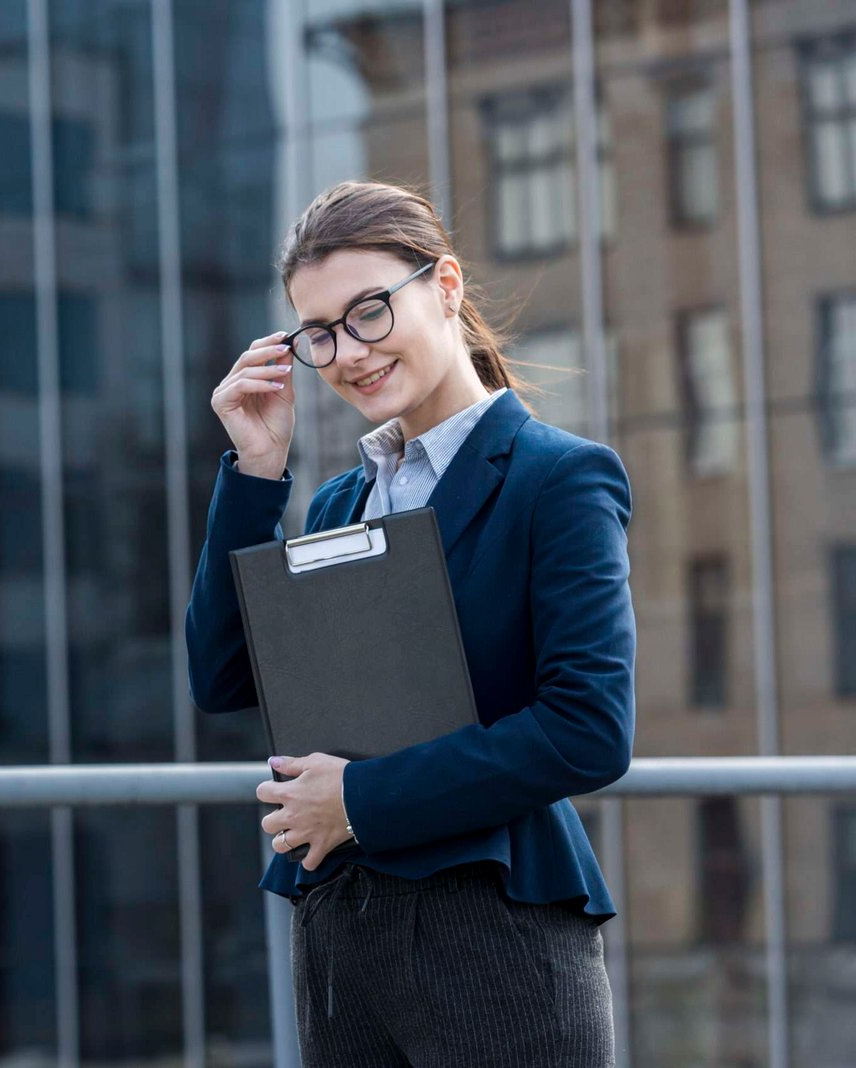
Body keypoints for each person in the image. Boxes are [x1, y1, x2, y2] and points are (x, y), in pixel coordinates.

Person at [184, 179, 634, 1067]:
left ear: (448, 287)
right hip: (342, 936)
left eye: (368, 314)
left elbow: (589, 729)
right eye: (320, 333)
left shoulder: (560, 479)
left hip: (491, 927)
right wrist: (255, 471)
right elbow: (223, 678)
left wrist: (358, 799)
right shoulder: (340, 500)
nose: (347, 352)